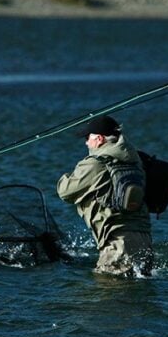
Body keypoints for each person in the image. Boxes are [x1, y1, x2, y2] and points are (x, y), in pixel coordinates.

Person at [57, 115, 153, 278]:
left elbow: (65, 191)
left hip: (117, 244)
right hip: (144, 241)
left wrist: (65, 176)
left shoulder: (95, 163)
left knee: (109, 296)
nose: (86, 142)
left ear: (99, 139)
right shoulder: (136, 160)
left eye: (88, 138)